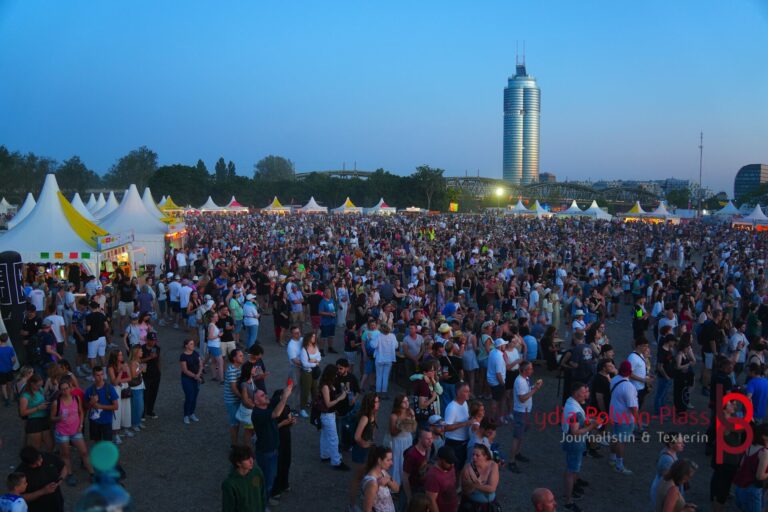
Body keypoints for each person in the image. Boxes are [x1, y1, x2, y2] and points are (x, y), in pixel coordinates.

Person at [251, 383, 294, 503]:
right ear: (256, 401)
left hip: (272, 451)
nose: (266, 396)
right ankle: (261, 505)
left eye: (265, 394)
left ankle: (261, 500)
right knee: (266, 481)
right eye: (262, 395)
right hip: (266, 453)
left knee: (269, 478)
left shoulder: (266, 408)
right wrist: (284, 397)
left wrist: (287, 389)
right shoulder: (258, 413)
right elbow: (276, 414)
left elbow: (276, 402)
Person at [561, 382, 599, 512]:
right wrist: (592, 426)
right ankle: (568, 501)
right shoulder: (574, 410)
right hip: (575, 442)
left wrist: (589, 420)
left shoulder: (571, 403)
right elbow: (575, 432)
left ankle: (572, 488)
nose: (587, 395)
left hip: (571, 441)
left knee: (571, 468)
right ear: (577, 393)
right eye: (584, 392)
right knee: (571, 471)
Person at [49, 375, 93, 486]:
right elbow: (52, 418)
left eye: (67, 388)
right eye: (63, 389)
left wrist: (81, 424)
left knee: (84, 452)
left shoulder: (76, 398)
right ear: (60, 390)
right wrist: (59, 418)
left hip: (76, 431)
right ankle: (69, 474)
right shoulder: (57, 403)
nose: (65, 391)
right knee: (66, 454)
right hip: (62, 432)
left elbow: (81, 412)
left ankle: (92, 473)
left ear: (70, 387)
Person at [349, 393, 380, 511]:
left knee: (364, 477)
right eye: (376, 402)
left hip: (368, 451)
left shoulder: (373, 415)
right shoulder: (365, 417)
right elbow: (357, 437)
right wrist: (365, 444)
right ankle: (351, 505)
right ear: (371, 403)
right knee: (357, 478)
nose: (378, 404)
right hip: (361, 452)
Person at [319, 364, 350, 471]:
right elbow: (328, 403)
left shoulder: (328, 384)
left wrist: (340, 395)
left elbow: (329, 399)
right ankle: (336, 461)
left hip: (328, 414)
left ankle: (325, 455)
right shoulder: (325, 386)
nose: (337, 376)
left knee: (324, 435)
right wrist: (339, 398)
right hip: (327, 414)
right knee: (333, 438)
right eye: (335, 374)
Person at [609, 361, 638, 475]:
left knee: (615, 437)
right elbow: (632, 406)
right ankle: (619, 465)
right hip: (625, 418)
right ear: (630, 372)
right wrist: (638, 420)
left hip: (614, 414)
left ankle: (612, 458)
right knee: (622, 441)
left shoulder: (615, 379)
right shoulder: (629, 386)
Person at [732, 422, 768, 511]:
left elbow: (741, 464)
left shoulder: (749, 446)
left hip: (741, 486)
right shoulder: (764, 452)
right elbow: (759, 476)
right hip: (753, 489)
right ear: (764, 436)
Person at [17, 446, 65, 512]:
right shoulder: (20, 474)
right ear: (26, 464)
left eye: (39, 459)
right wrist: (43, 491)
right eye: (35, 464)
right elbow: (19, 498)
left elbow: (63, 467)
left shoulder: (48, 456)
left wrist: (61, 479)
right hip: (38, 508)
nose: (39, 464)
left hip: (57, 504)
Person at [221, 444, 267, 512]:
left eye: (251, 457)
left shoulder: (256, 472)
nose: (251, 461)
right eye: (247, 459)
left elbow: (262, 493)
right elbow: (228, 508)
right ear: (238, 463)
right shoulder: (229, 484)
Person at [270, 388, 297, 499]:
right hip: (277, 439)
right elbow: (270, 428)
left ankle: (284, 483)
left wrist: (291, 422)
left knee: (286, 461)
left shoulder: (286, 407)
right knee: (278, 464)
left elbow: (289, 420)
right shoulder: (272, 412)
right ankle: (275, 490)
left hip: (286, 437)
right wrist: (283, 423)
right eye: (282, 398)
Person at [649, 433, 685, 510]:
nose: (683, 444)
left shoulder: (669, 451)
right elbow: (667, 479)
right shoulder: (667, 459)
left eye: (682, 442)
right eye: (679, 443)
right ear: (671, 445)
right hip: (666, 492)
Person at [387, 394, 417, 486]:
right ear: (399, 403)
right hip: (398, 441)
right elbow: (392, 433)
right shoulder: (394, 416)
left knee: (406, 461)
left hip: (407, 439)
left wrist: (412, 418)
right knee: (397, 462)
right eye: (404, 401)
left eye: (407, 401)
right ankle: (396, 484)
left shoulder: (410, 411)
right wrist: (402, 425)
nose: (407, 403)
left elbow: (413, 428)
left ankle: (406, 482)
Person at [460, 444, 500, 512]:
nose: (474, 457)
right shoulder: (467, 468)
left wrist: (474, 485)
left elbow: (492, 488)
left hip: (489, 506)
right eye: (473, 455)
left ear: (485, 456)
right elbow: (465, 491)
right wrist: (476, 486)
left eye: (477, 455)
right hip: (472, 506)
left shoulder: (493, 465)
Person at [83, 366, 119, 441]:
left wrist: (100, 406)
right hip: (94, 422)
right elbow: (85, 406)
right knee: (97, 443)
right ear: (93, 376)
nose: (100, 377)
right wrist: (91, 402)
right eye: (98, 375)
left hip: (106, 422)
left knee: (107, 443)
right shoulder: (89, 390)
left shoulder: (109, 388)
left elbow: (116, 406)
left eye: (102, 374)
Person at [443, 382, 472, 474]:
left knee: (460, 468)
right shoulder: (452, 408)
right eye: (465, 391)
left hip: (464, 442)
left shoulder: (465, 403)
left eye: (469, 391)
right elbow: (446, 428)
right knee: (453, 470)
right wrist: (465, 423)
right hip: (454, 443)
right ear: (458, 392)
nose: (468, 393)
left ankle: (458, 486)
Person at [18, 375, 52, 451]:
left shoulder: (40, 390)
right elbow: (22, 413)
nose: (40, 386)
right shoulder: (25, 396)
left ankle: (46, 459)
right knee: (36, 446)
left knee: (50, 444)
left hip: (44, 419)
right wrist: (38, 408)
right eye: (38, 385)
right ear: (32, 384)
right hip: (34, 421)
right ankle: (37, 461)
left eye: (41, 385)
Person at [361, 445, 399, 512]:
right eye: (388, 460)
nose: (392, 463)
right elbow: (367, 510)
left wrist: (389, 481)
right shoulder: (372, 483)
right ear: (379, 460)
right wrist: (378, 486)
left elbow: (397, 489)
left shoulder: (383, 472)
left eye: (391, 459)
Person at [402, 428, 434, 505]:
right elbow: (405, 477)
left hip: (422, 487)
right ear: (420, 439)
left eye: (431, 438)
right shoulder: (412, 455)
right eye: (427, 439)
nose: (430, 441)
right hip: (413, 488)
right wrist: (409, 497)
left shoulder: (429, 448)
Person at [424, 446, 458, 512]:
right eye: (449, 462)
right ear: (440, 460)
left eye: (452, 462)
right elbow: (431, 501)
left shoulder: (450, 468)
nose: (452, 465)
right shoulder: (433, 476)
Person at [179, 338, 203, 424]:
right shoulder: (183, 356)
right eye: (191, 344)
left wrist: (199, 374)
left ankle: (192, 413)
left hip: (196, 378)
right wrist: (195, 376)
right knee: (189, 396)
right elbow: (185, 370)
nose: (193, 345)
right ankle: (186, 415)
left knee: (195, 396)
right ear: (186, 346)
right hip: (187, 378)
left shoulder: (196, 353)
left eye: (193, 343)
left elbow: (201, 365)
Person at [224, 348, 244, 444]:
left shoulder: (239, 367)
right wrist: (243, 397)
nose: (242, 356)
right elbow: (233, 387)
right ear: (234, 358)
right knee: (234, 423)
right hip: (232, 400)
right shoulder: (232, 370)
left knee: (237, 422)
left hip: (236, 399)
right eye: (240, 355)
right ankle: (234, 445)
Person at [299, 332, 321, 418]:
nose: (314, 339)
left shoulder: (315, 347)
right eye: (313, 337)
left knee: (315, 389)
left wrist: (313, 360)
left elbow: (319, 357)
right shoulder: (304, 350)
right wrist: (315, 363)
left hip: (314, 372)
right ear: (308, 338)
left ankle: (315, 405)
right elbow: (304, 364)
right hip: (306, 373)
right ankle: (302, 409)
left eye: (315, 337)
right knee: (305, 390)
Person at [140, 331, 161, 419]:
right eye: (151, 340)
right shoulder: (142, 348)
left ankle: (150, 410)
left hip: (156, 374)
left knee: (153, 393)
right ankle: (142, 412)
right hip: (145, 375)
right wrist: (149, 357)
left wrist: (159, 371)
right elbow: (138, 361)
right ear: (147, 340)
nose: (153, 342)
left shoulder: (157, 348)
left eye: (154, 340)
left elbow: (159, 359)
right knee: (145, 394)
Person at [375, 323, 398, 397]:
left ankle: (378, 393)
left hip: (379, 358)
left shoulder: (378, 336)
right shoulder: (393, 336)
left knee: (379, 376)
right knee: (385, 377)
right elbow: (396, 346)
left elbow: (373, 345)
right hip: (389, 359)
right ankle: (384, 393)